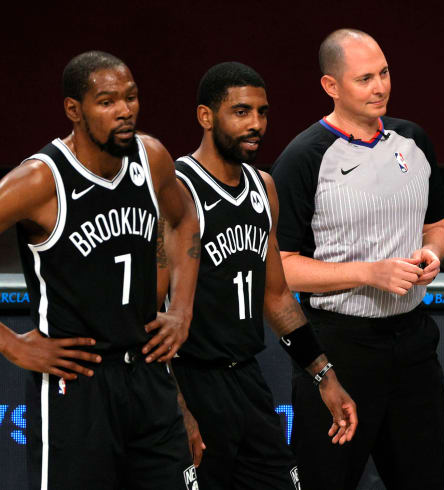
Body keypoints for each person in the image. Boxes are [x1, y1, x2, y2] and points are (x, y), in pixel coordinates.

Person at [0, 51, 201, 490]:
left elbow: (184, 218)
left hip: (149, 376)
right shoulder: (40, 181)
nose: (124, 111)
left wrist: (183, 311)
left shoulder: (151, 158)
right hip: (77, 385)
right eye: (107, 101)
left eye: (131, 98)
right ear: (73, 110)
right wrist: (8, 343)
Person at [160, 62, 357, 490]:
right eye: (242, 112)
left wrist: (325, 376)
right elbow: (148, 310)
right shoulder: (176, 191)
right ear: (206, 117)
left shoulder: (263, 187)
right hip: (192, 381)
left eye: (262, 112)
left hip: (247, 380)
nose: (256, 124)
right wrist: (177, 409)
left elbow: (278, 297)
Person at [271, 29, 444, 490]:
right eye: (365, 78)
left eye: (384, 73)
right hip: (340, 351)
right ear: (331, 86)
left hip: (414, 345)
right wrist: (370, 273)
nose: (380, 87)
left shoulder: (413, 140)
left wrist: (431, 254)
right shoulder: (302, 158)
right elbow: (284, 266)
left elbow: (437, 228)